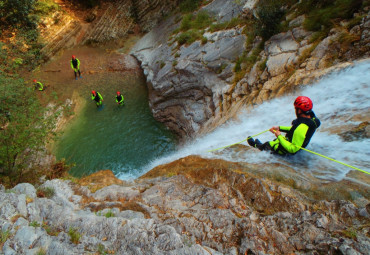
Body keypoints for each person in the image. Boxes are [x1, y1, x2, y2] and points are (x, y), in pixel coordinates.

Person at [247, 96, 321, 155]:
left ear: (299, 111)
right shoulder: (311, 121)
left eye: (296, 108)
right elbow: (294, 130)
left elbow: (293, 149)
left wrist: (279, 136)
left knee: (268, 144)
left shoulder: (302, 127)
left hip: (284, 152)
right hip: (293, 144)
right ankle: (260, 145)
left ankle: (256, 146)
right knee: (275, 141)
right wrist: (280, 128)